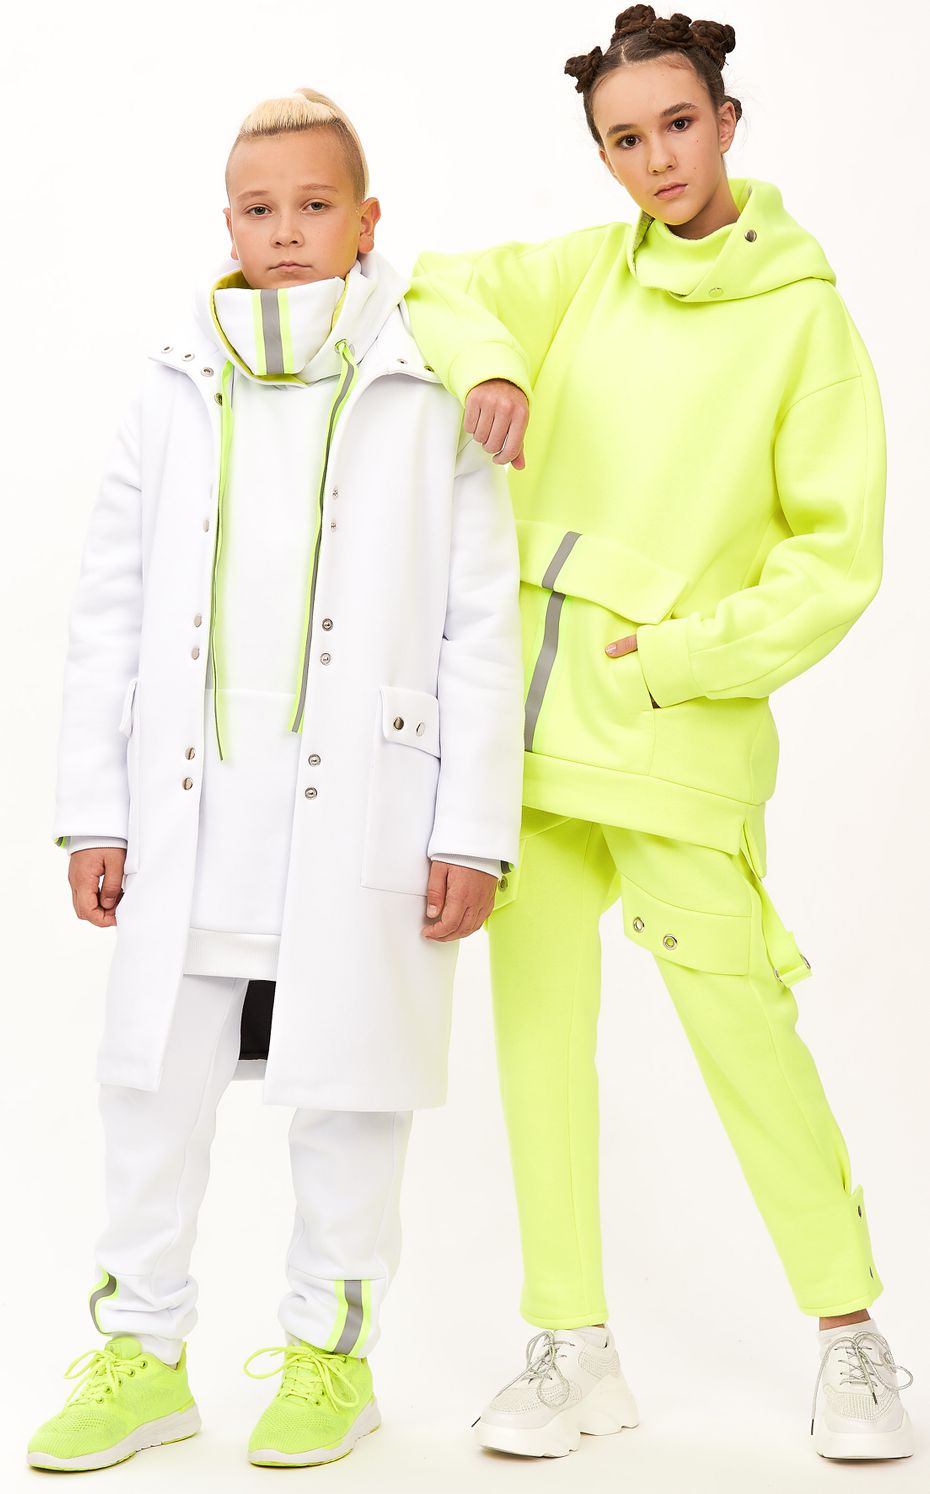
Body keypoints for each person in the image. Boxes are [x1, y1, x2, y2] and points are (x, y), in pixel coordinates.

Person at [407, 6, 914, 1461]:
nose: (656, 160)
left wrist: (678, 659)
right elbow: (438, 283)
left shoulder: (804, 319)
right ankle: (571, 1347)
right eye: (623, 139)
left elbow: (836, 561)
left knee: (744, 1034)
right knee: (538, 1051)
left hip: (668, 732)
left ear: (726, 121)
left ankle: (851, 1338)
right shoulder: (585, 273)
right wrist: (490, 370)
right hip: (527, 748)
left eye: (677, 125)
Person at [30, 87, 524, 1472]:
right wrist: (95, 809)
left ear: (367, 222)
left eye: (316, 205)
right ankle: (141, 1354)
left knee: (350, 1098)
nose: (287, 230)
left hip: (364, 814)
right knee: (150, 1095)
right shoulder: (169, 381)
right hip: (192, 817)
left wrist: (472, 829)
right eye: (260, 208)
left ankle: (330, 1358)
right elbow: (107, 610)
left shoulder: (426, 386)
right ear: (229, 224)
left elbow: (480, 624)